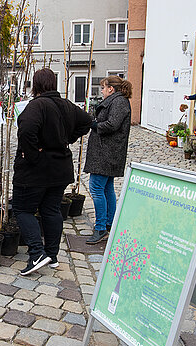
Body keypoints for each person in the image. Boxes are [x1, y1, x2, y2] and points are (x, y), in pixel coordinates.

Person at [13, 68, 92, 276]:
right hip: (59, 168)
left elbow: (26, 131)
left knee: (23, 209)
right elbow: (86, 121)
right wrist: (66, 140)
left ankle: (38, 254)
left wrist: (35, 156)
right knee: (51, 210)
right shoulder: (66, 105)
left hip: (35, 171)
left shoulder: (36, 105)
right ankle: (52, 255)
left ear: (36, 85)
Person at [83, 76, 133, 244]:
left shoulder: (119, 102)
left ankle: (101, 228)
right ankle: (110, 224)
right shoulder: (117, 100)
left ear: (111, 89)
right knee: (106, 188)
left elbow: (112, 124)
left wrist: (95, 125)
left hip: (107, 153)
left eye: (103, 88)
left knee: (96, 188)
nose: (102, 90)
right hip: (107, 152)